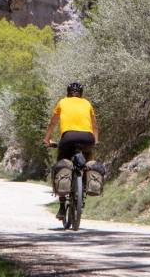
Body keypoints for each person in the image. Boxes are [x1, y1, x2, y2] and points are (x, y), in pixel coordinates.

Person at [43, 82, 99, 220]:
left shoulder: (62, 102)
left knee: (61, 165)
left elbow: (53, 122)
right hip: (88, 138)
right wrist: (95, 141)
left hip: (68, 138)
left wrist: (47, 139)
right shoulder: (87, 103)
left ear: (68, 92)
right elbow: (95, 125)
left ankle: (62, 208)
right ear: (81, 93)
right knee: (89, 159)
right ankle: (85, 184)